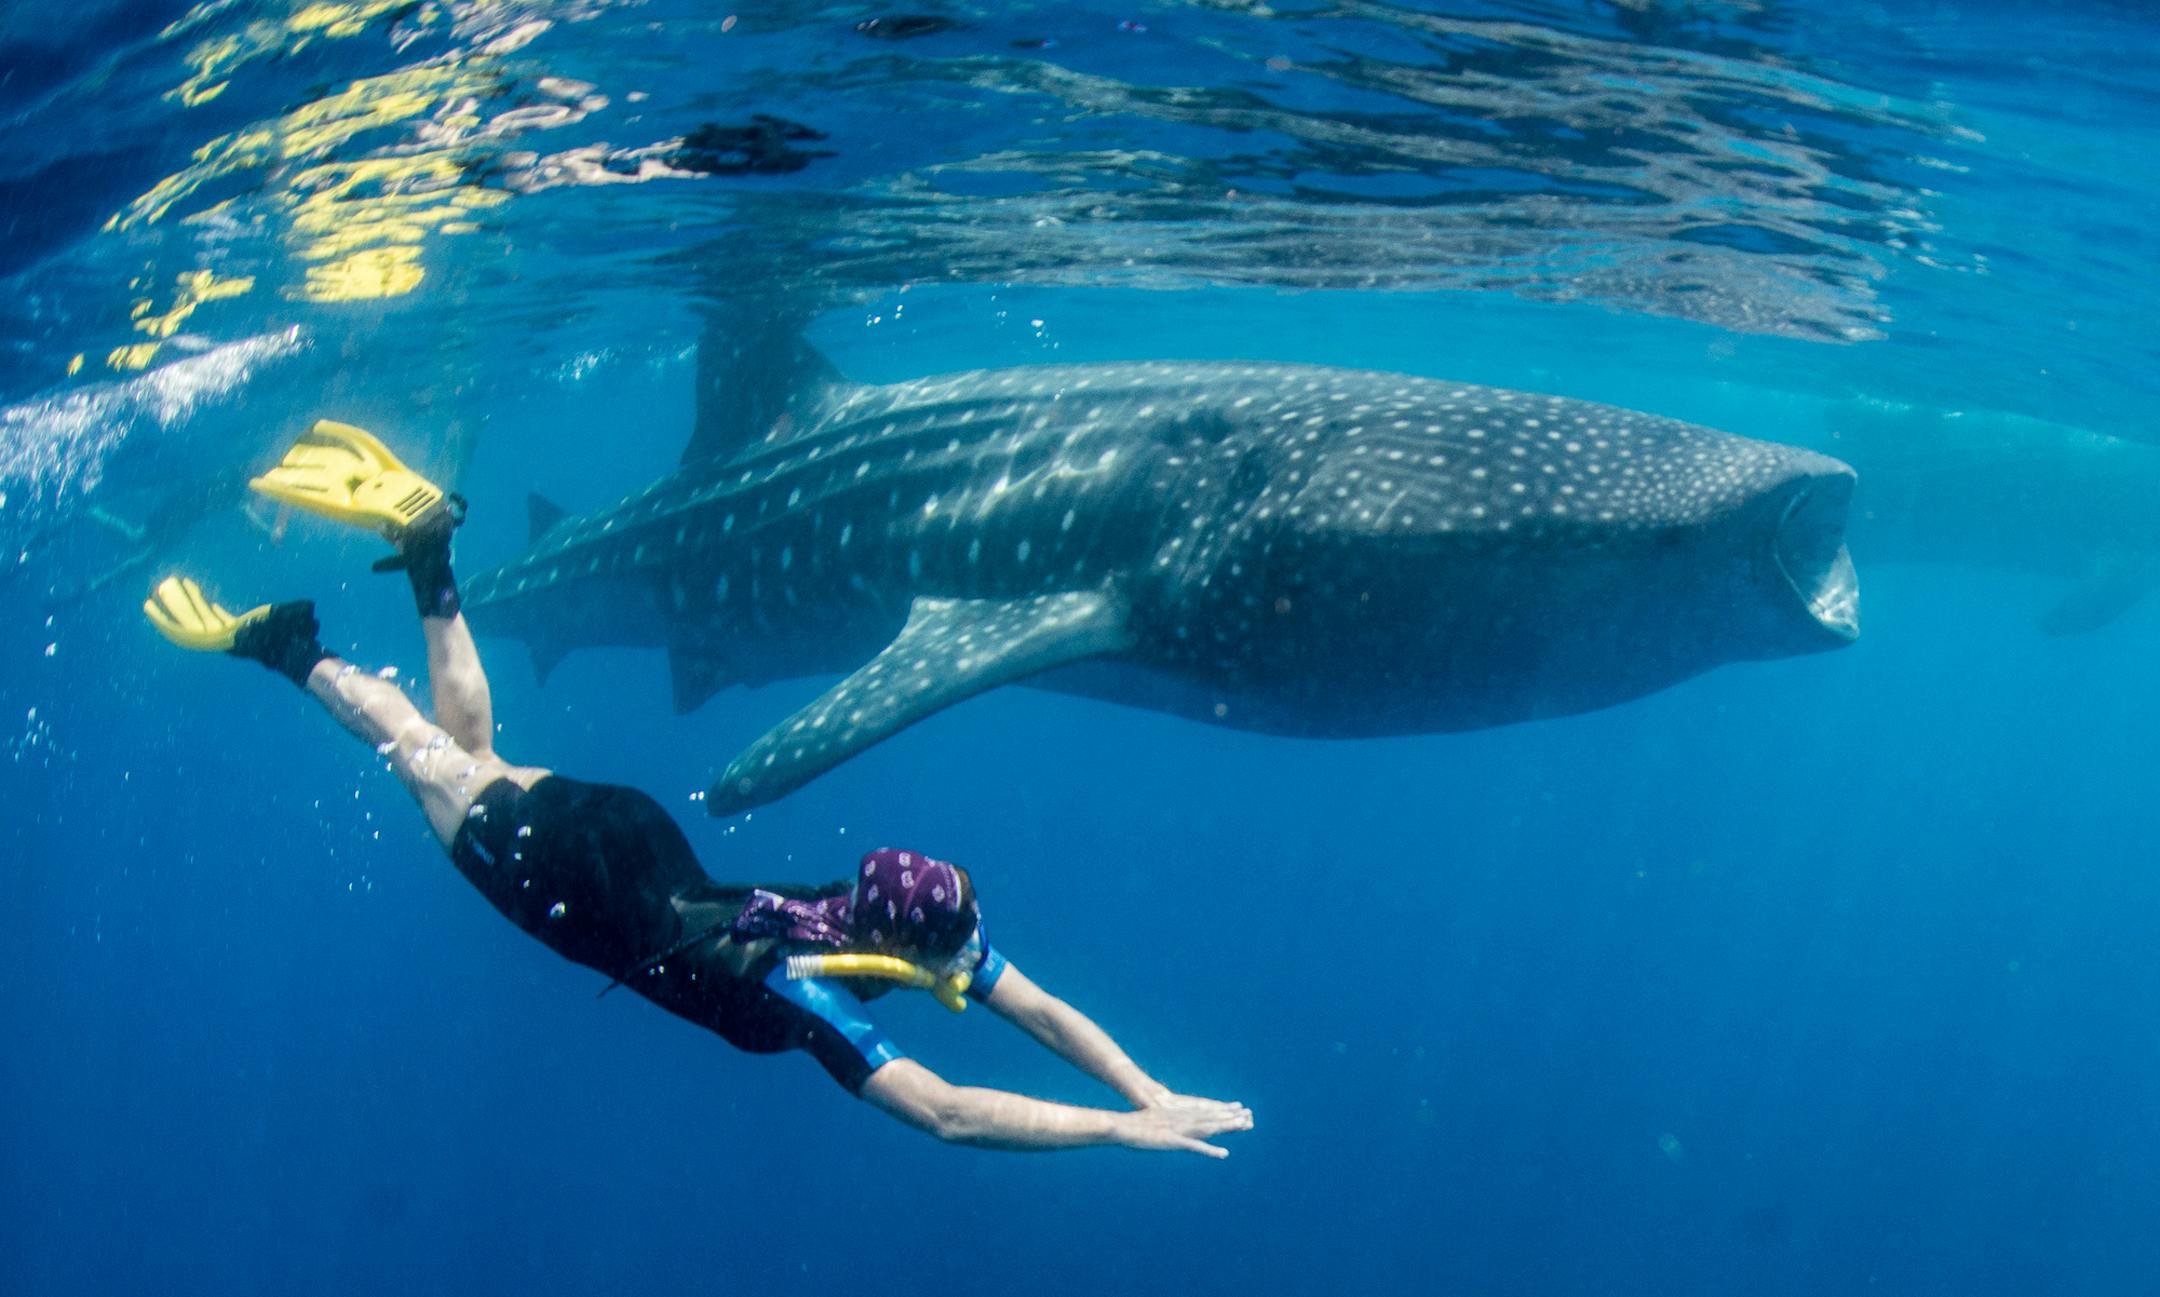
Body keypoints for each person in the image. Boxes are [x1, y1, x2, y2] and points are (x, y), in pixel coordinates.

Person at [145, 420, 1252, 1157]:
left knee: (474, 750)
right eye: (957, 953)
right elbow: (950, 1113)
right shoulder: (805, 989)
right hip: (568, 871)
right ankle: (291, 648)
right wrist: (1119, 1131)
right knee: (415, 747)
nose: (973, 967)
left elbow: (1040, 1009)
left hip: (636, 835)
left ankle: (431, 557)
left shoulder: (875, 918)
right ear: (913, 941)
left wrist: (1148, 1090)